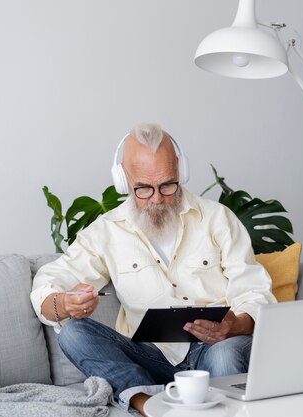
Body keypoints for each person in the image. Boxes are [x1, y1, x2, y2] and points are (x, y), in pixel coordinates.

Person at [30, 123, 276, 416]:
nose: (157, 198)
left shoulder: (217, 219)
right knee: (72, 333)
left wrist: (233, 325)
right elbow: (51, 280)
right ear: (123, 181)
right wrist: (63, 303)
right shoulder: (106, 232)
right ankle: (146, 404)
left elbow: (256, 293)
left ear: (181, 173)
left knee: (226, 354)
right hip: (150, 356)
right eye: (143, 188)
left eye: (167, 185)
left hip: (214, 347)